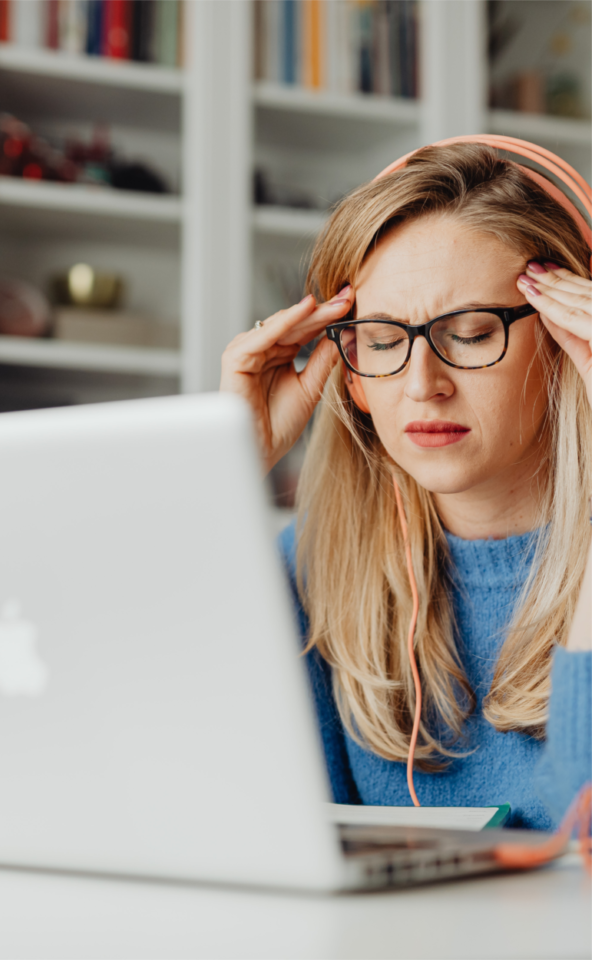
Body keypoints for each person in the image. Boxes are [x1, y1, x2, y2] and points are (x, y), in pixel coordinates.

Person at [220, 142, 592, 830]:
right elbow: (235, 816)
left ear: (568, 341)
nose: (423, 383)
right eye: (385, 341)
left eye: (474, 333)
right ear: (350, 370)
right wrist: (223, 475)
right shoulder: (313, 565)